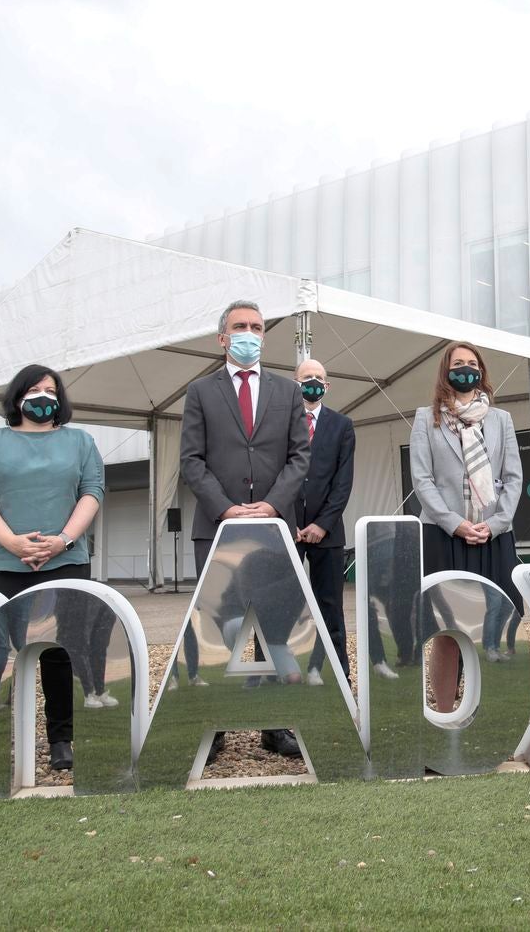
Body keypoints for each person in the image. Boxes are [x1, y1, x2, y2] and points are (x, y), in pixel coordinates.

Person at [179, 299, 310, 761]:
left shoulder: (287, 392)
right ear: (222, 337)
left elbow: (299, 457)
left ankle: (275, 727)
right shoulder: (200, 392)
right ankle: (214, 726)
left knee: (273, 628)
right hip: (218, 528)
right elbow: (192, 460)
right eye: (240, 326)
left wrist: (273, 505)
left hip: (273, 529)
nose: (249, 333)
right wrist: (227, 509)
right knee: (218, 630)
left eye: (256, 326)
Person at [0, 364, 105, 772]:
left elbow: (92, 491)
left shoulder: (80, 441)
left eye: (51, 389)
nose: (43, 396)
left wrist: (62, 540)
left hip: (64, 561)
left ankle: (62, 738)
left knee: (62, 652)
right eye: (34, 389)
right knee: (0, 651)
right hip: (1, 564)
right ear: (17, 396)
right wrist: (11, 541)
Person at [410, 341, 524, 710]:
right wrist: (456, 524)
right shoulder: (426, 419)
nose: (465, 369)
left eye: (471, 364)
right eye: (457, 364)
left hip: (493, 536)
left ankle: (491, 706)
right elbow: (422, 481)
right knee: (447, 627)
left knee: (497, 623)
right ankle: (446, 709)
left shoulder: (501, 420)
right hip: (445, 537)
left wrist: (495, 524)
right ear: (446, 372)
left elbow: (513, 478)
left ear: (481, 371)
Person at [293, 359, 361, 688]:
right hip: (287, 531)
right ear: (296, 383)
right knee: (279, 605)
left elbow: (342, 482)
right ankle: (279, 674)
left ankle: (336, 674)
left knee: (330, 606)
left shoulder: (342, 425)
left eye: (319, 378)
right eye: (307, 378)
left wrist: (323, 523)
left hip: (328, 533)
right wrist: (287, 521)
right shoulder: (281, 424)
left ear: (328, 386)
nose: (313, 383)